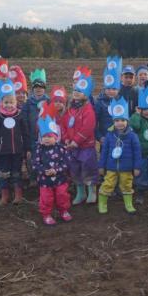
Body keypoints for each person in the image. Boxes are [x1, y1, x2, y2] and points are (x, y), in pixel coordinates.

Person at [0, 79, 31, 205]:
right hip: (3, 152)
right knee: (4, 173)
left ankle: (18, 195)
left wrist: (28, 149)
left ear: (16, 102)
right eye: (6, 102)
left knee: (17, 173)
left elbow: (26, 134)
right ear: (1, 102)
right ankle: (5, 196)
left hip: (17, 151)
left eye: (11, 102)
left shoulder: (20, 115)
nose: (9, 105)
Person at [97, 97, 142, 214]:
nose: (120, 123)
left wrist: (137, 167)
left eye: (123, 120)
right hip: (111, 167)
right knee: (108, 184)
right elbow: (104, 151)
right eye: (117, 120)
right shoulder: (109, 135)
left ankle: (128, 203)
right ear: (113, 121)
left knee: (127, 184)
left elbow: (137, 152)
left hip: (126, 167)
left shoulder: (132, 136)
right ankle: (102, 203)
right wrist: (101, 166)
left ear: (127, 121)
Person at [61, 73, 98, 205]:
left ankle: (92, 191)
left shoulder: (88, 110)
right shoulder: (69, 109)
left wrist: (76, 141)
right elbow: (63, 124)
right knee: (75, 169)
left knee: (88, 168)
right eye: (75, 90)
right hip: (71, 146)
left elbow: (87, 128)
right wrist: (66, 139)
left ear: (86, 94)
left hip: (85, 146)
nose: (76, 93)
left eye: (80, 91)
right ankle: (80, 192)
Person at [33, 113, 73, 225]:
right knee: (46, 198)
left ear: (56, 137)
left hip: (60, 179)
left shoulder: (61, 149)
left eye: (50, 137)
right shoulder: (38, 149)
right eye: (44, 136)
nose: (47, 139)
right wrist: (44, 171)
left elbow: (67, 162)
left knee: (62, 195)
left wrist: (57, 170)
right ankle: (46, 214)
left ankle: (63, 210)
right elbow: (35, 164)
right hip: (44, 180)